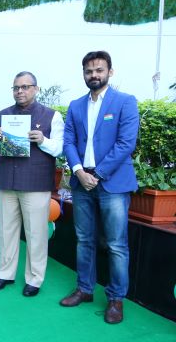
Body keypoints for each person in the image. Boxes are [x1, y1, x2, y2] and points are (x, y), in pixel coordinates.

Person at [60, 51, 139, 324]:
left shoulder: (125, 102)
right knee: (84, 239)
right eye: (89, 71)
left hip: (112, 183)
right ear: (84, 74)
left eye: (99, 70)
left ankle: (116, 299)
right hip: (82, 182)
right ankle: (84, 289)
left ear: (110, 72)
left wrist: (99, 173)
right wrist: (79, 171)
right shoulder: (76, 105)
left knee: (116, 244)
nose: (93, 75)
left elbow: (126, 143)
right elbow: (68, 141)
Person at [0, 71, 64, 296]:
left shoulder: (52, 116)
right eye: (16, 87)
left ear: (36, 89)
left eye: (25, 87)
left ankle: (35, 279)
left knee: (36, 234)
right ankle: (4, 273)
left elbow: (59, 149)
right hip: (7, 182)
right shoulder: (4, 114)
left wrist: (43, 140)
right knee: (6, 231)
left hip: (35, 183)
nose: (20, 91)